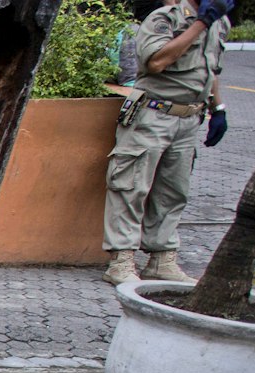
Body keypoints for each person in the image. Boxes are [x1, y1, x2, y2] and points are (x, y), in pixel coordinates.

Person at [101, 0, 231, 285]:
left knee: (174, 191)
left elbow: (212, 69)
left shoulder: (220, 23)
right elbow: (156, 62)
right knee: (130, 185)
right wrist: (200, 25)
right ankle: (121, 261)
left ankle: (161, 259)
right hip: (152, 114)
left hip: (188, 118)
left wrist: (218, 108)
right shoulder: (166, 20)